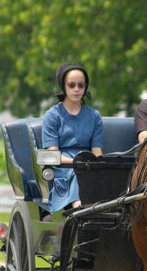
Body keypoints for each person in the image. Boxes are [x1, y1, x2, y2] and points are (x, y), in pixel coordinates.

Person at [42, 62, 103, 215]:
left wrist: (94, 163)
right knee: (79, 172)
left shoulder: (94, 116)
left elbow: (97, 152)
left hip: (88, 163)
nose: (76, 89)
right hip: (63, 167)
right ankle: (79, 206)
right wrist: (78, 162)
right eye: (71, 85)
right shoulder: (53, 115)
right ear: (64, 86)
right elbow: (53, 153)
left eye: (81, 85)